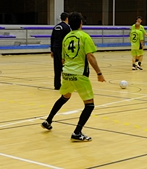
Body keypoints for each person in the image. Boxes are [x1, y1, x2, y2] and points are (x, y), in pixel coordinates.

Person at [42, 12, 106, 142]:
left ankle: (48, 120)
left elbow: (63, 59)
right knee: (89, 105)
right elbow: (90, 56)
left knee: (65, 96)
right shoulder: (84, 37)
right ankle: (77, 132)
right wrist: (99, 73)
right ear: (81, 23)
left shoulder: (66, 38)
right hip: (79, 74)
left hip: (66, 73)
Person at [50, 12, 71, 90]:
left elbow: (52, 38)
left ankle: (57, 85)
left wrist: (52, 50)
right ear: (67, 18)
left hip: (55, 48)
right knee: (65, 68)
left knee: (57, 67)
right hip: (62, 50)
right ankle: (67, 85)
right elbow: (68, 40)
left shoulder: (56, 27)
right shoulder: (67, 28)